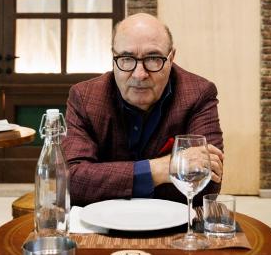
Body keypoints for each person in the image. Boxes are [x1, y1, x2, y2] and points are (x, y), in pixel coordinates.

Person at [63, 13, 224, 206]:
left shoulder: (198, 94)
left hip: (172, 220)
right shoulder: (85, 97)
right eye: (127, 58)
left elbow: (206, 185)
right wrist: (164, 168)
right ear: (113, 57)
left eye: (153, 58)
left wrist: (106, 181)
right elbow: (71, 181)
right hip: (101, 219)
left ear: (171, 58)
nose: (139, 74)